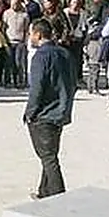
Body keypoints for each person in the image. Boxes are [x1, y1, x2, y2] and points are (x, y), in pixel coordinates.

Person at [23, 18, 75, 199]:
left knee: (48, 158)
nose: (29, 37)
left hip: (44, 114)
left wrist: (30, 112)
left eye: (31, 33)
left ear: (38, 34)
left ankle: (59, 197)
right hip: (60, 111)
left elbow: (37, 87)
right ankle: (44, 191)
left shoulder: (41, 56)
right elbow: (72, 82)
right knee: (50, 154)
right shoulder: (65, 54)